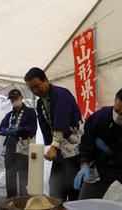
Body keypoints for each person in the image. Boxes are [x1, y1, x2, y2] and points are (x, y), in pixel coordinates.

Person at [24, 67, 83, 201]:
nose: (35, 91)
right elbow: (46, 126)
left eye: (37, 86)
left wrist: (54, 146)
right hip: (60, 152)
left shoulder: (61, 94)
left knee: (73, 188)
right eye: (31, 89)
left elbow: (61, 120)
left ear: (46, 80)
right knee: (55, 188)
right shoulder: (40, 103)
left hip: (75, 151)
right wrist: (51, 146)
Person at [0, 89, 37, 198]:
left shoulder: (30, 112)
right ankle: (11, 198)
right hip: (10, 148)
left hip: (24, 148)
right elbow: (1, 128)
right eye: (12, 99)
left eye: (16, 98)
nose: (14, 101)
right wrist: (7, 131)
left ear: (21, 98)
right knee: (10, 174)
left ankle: (24, 199)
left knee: (24, 175)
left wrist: (19, 129)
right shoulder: (9, 114)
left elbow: (33, 127)